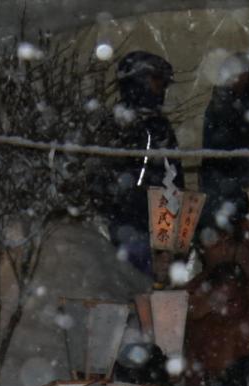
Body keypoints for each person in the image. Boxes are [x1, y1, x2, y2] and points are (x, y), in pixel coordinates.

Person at [102, 51, 182, 278]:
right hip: (134, 225)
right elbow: (138, 180)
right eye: (156, 80)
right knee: (136, 281)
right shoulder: (127, 124)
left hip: (153, 222)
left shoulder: (155, 124)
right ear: (139, 81)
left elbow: (171, 174)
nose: (161, 88)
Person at [199, 52, 249, 234]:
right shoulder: (225, 105)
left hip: (231, 184)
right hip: (226, 184)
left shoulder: (236, 102)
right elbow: (229, 148)